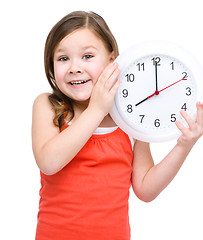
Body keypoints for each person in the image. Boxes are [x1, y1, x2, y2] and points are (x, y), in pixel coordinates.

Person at [32, 11, 203, 240]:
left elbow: (145, 189)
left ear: (112, 60)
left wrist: (184, 145)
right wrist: (97, 109)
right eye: (63, 59)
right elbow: (49, 162)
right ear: (51, 66)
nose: (74, 67)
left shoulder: (130, 117)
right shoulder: (49, 105)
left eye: (87, 56)